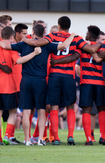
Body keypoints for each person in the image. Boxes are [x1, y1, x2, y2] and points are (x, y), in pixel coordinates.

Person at [24, 16, 97, 145]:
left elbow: (37, 43)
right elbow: (91, 49)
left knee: (54, 107)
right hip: (69, 76)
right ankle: (70, 136)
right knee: (70, 106)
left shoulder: (52, 36)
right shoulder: (75, 38)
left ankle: (56, 138)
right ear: (69, 26)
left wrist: (25, 40)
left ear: (59, 26)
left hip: (54, 75)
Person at [0, 23, 76, 146]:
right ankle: (40, 139)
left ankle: (27, 139)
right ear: (44, 34)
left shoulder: (24, 44)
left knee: (26, 111)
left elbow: (5, 46)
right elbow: (65, 45)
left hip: (26, 80)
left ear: (33, 33)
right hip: (40, 81)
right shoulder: (47, 44)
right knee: (41, 111)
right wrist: (72, 35)